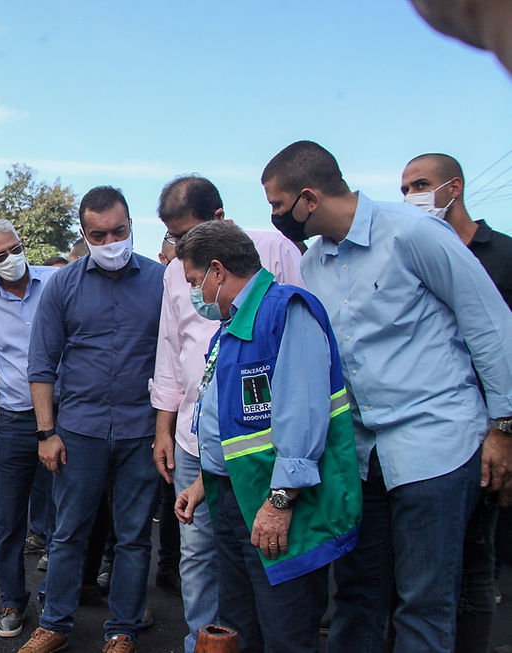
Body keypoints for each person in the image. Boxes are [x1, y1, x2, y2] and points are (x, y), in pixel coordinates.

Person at [261, 140, 512, 653]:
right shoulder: (314, 266)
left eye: (278, 205)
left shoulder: (415, 233)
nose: (274, 217)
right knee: (357, 596)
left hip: (435, 445)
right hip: (363, 455)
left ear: (308, 198)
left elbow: (489, 325)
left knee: (424, 604)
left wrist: (503, 427)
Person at [172, 220, 361, 652]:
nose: (193, 294)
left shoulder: (285, 310)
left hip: (278, 507)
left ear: (218, 271)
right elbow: (236, 421)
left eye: (195, 281)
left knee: (285, 632)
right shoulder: (234, 325)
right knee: (241, 628)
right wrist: (205, 481)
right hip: (236, 500)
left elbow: (304, 413)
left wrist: (281, 501)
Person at [150, 174, 305, 653]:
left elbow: (301, 383)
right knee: (202, 556)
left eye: (186, 237)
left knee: (264, 561)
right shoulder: (181, 281)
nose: (177, 251)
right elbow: (171, 350)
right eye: (172, 238)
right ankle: (205, 643)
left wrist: (283, 488)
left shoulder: (278, 269)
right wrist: (167, 427)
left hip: (263, 450)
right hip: (203, 443)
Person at [23, 186, 165, 653]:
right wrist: (47, 433)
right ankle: (54, 625)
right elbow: (41, 363)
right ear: (83, 235)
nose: (110, 242)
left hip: (141, 432)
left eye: (119, 232)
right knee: (68, 533)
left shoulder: (163, 282)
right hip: (79, 431)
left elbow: (179, 356)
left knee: (133, 537)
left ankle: (121, 630)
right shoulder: (63, 285)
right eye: (98, 235)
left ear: (132, 226)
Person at [401, 152, 512, 652]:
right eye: (403, 189)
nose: (411, 198)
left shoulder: (502, 254)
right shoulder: (415, 251)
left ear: (454, 187)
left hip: (493, 429)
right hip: (440, 431)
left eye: (420, 185)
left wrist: (503, 429)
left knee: (475, 561)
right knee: (424, 573)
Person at [0, 219, 58, 640]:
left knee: (64, 515)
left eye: (15, 248)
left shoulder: (57, 282)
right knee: (10, 519)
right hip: (18, 421)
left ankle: (56, 606)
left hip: (64, 420)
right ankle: (12, 601)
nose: (12, 259)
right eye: (0, 256)